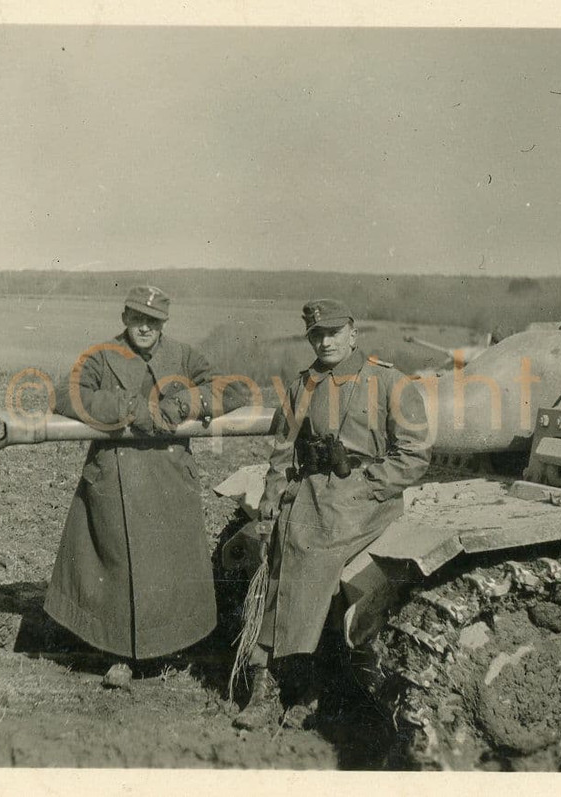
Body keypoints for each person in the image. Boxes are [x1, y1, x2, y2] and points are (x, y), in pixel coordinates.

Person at [232, 298, 431, 729]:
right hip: (311, 491)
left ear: (353, 333)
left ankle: (286, 683)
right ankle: (288, 684)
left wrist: (366, 486)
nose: (325, 342)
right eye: (317, 335)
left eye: (333, 333)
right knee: (273, 545)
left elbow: (414, 455)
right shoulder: (304, 384)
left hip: (365, 498)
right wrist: (272, 491)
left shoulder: (390, 382)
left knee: (306, 554)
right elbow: (284, 449)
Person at [45, 285, 245, 688]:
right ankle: (120, 655)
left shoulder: (184, 356)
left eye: (153, 321)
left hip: (169, 478)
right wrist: (127, 410)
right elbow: (66, 395)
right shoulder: (100, 356)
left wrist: (182, 404)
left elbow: (233, 389)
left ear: (163, 324)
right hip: (113, 478)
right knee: (118, 569)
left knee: (170, 564)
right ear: (124, 318)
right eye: (137, 318)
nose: (145, 327)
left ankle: (175, 645)